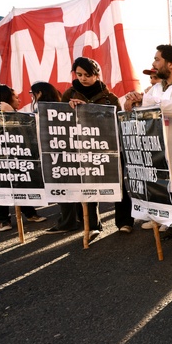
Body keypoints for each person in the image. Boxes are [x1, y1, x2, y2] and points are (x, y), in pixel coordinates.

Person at [47, 57, 133, 238]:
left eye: (88, 75)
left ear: (96, 74)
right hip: (81, 147)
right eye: (79, 74)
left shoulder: (110, 97)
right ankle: (92, 224)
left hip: (109, 147)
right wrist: (70, 109)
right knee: (86, 186)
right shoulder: (69, 94)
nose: (83, 78)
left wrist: (90, 110)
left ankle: (124, 222)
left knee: (118, 185)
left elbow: (117, 122)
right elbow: (60, 120)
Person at [124, 45, 172, 248]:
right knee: (171, 188)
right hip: (161, 148)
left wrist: (145, 99)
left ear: (171, 64)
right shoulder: (158, 87)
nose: (154, 63)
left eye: (157, 59)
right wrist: (133, 100)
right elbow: (146, 104)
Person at [0, 84, 47, 231]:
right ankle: (3, 220)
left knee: (20, 182)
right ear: (4, 99)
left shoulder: (11, 112)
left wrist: (11, 113)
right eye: (15, 96)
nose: (19, 99)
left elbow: (24, 129)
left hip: (15, 155)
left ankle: (30, 213)